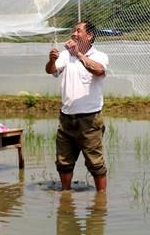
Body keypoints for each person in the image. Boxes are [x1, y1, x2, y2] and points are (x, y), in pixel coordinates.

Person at [45, 21, 109, 192]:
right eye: (73, 30)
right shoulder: (65, 55)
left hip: (89, 120)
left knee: (95, 163)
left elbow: (98, 70)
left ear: (89, 36)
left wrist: (79, 54)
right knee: (63, 162)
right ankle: (66, 196)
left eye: (78, 31)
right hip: (66, 118)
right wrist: (52, 60)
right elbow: (51, 70)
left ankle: (101, 199)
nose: (74, 34)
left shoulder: (99, 55)